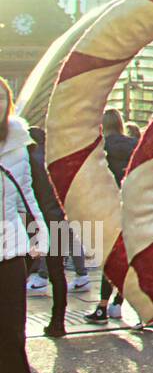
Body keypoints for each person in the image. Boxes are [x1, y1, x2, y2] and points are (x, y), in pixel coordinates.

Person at [1, 77, 49, 373]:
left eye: (3, 99)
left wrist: (40, 234)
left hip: (9, 247)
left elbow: (26, 195)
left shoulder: (17, 142)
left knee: (12, 326)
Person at [25, 126, 87, 336]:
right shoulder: (54, 158)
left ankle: (15, 323)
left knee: (21, 272)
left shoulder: (28, 158)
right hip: (59, 219)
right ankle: (58, 321)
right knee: (57, 272)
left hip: (35, 223)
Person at [83, 109, 135, 325]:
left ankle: (102, 307)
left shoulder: (100, 149)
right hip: (132, 207)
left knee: (109, 259)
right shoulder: (134, 145)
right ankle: (118, 303)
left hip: (108, 208)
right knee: (129, 257)